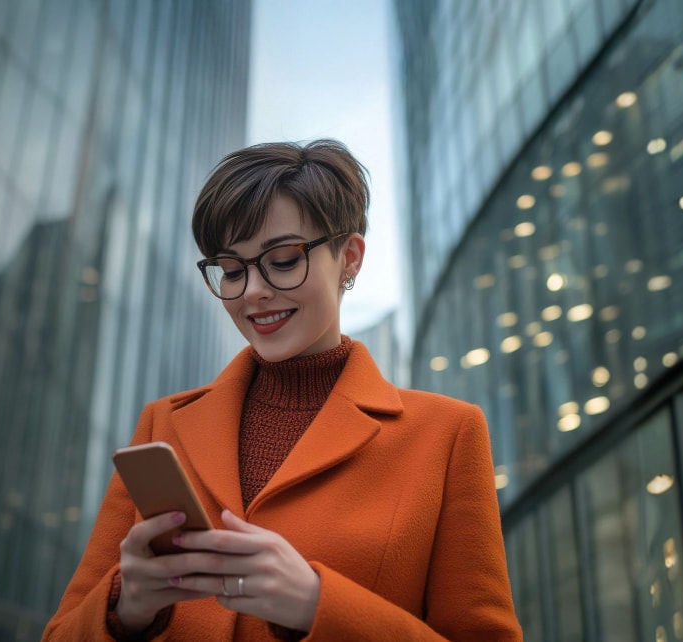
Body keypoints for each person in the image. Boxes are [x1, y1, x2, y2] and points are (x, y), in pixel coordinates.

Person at [42, 140, 521, 641]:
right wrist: (128, 606)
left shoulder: (446, 434)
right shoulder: (162, 426)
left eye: (284, 260)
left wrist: (320, 605)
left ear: (350, 257)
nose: (252, 290)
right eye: (230, 269)